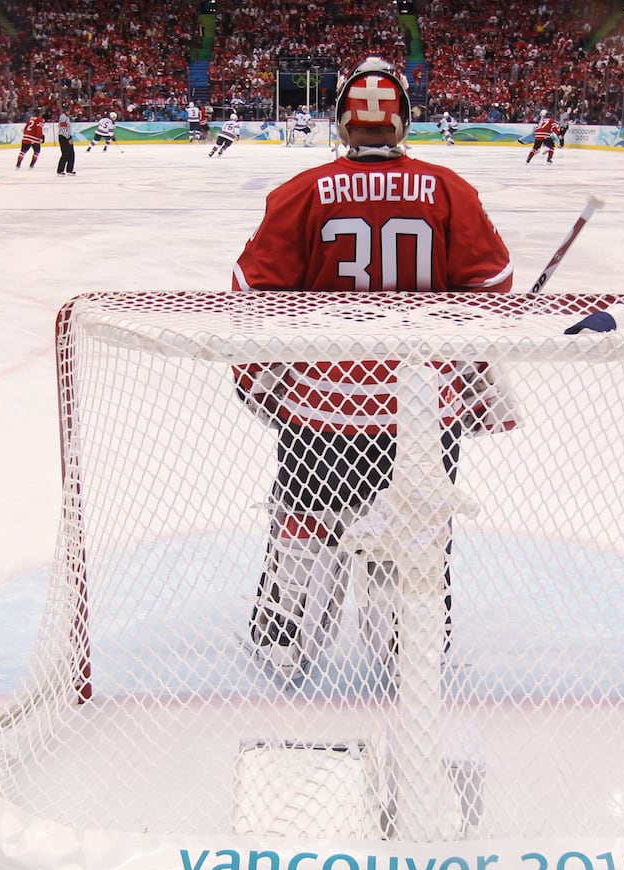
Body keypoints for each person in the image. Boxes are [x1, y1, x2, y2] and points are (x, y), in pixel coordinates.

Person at [230, 55, 514, 680]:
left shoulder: (302, 191)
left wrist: (257, 383)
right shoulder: (448, 190)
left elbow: (252, 294)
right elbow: (493, 284)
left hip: (318, 415)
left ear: (341, 123)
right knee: (412, 547)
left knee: (301, 537)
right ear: (404, 122)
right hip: (420, 412)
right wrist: (465, 375)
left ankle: (284, 647)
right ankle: (407, 659)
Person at [56, 106, 76, 175]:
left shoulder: (66, 117)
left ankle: (69, 170)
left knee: (71, 154)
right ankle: (60, 170)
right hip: (64, 137)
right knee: (65, 154)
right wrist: (68, 138)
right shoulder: (63, 117)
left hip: (67, 136)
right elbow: (63, 128)